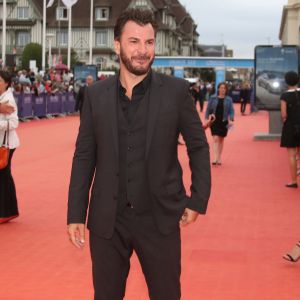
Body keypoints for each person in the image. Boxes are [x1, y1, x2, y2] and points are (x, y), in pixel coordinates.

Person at [67, 8, 211, 300]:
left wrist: (198, 199)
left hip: (159, 218)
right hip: (108, 220)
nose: (143, 51)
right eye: (134, 42)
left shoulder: (176, 92)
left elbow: (198, 146)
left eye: (149, 42)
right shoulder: (96, 96)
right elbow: (84, 156)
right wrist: (75, 213)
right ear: (117, 45)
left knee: (166, 295)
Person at [0, 71, 20, 224]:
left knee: (4, 177)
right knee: (4, 177)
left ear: (6, 83)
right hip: (3, 143)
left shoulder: (8, 100)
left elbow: (14, 123)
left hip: (6, 144)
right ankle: (8, 211)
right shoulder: (2, 99)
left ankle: (7, 212)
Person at [205, 82, 234, 165]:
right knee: (215, 139)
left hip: (224, 121)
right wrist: (207, 118)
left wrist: (231, 118)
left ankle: (219, 157)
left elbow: (231, 110)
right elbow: (208, 109)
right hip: (214, 121)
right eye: (221, 88)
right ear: (218, 89)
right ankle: (215, 158)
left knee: (221, 140)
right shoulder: (212, 98)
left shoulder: (229, 99)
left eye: (224, 88)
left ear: (226, 90)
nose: (223, 89)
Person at [280, 71, 300, 188]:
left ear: (286, 81)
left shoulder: (285, 96)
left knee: (292, 155)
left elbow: (283, 114)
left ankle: (294, 181)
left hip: (290, 127)